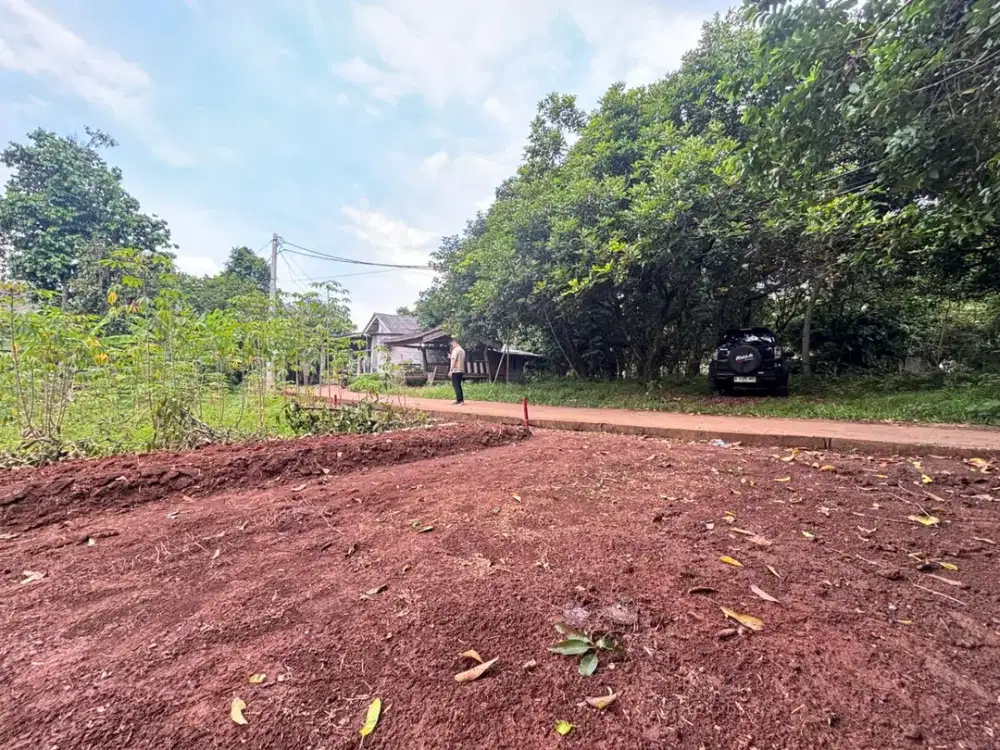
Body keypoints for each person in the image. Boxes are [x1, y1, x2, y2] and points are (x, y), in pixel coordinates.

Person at [449, 338, 466, 405]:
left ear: (455, 343)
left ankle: (459, 400)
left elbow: (454, 360)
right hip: (461, 369)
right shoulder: (462, 350)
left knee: (455, 385)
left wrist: (451, 370)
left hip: (456, 370)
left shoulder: (455, 350)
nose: (452, 345)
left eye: (452, 344)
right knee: (458, 385)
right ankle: (461, 399)